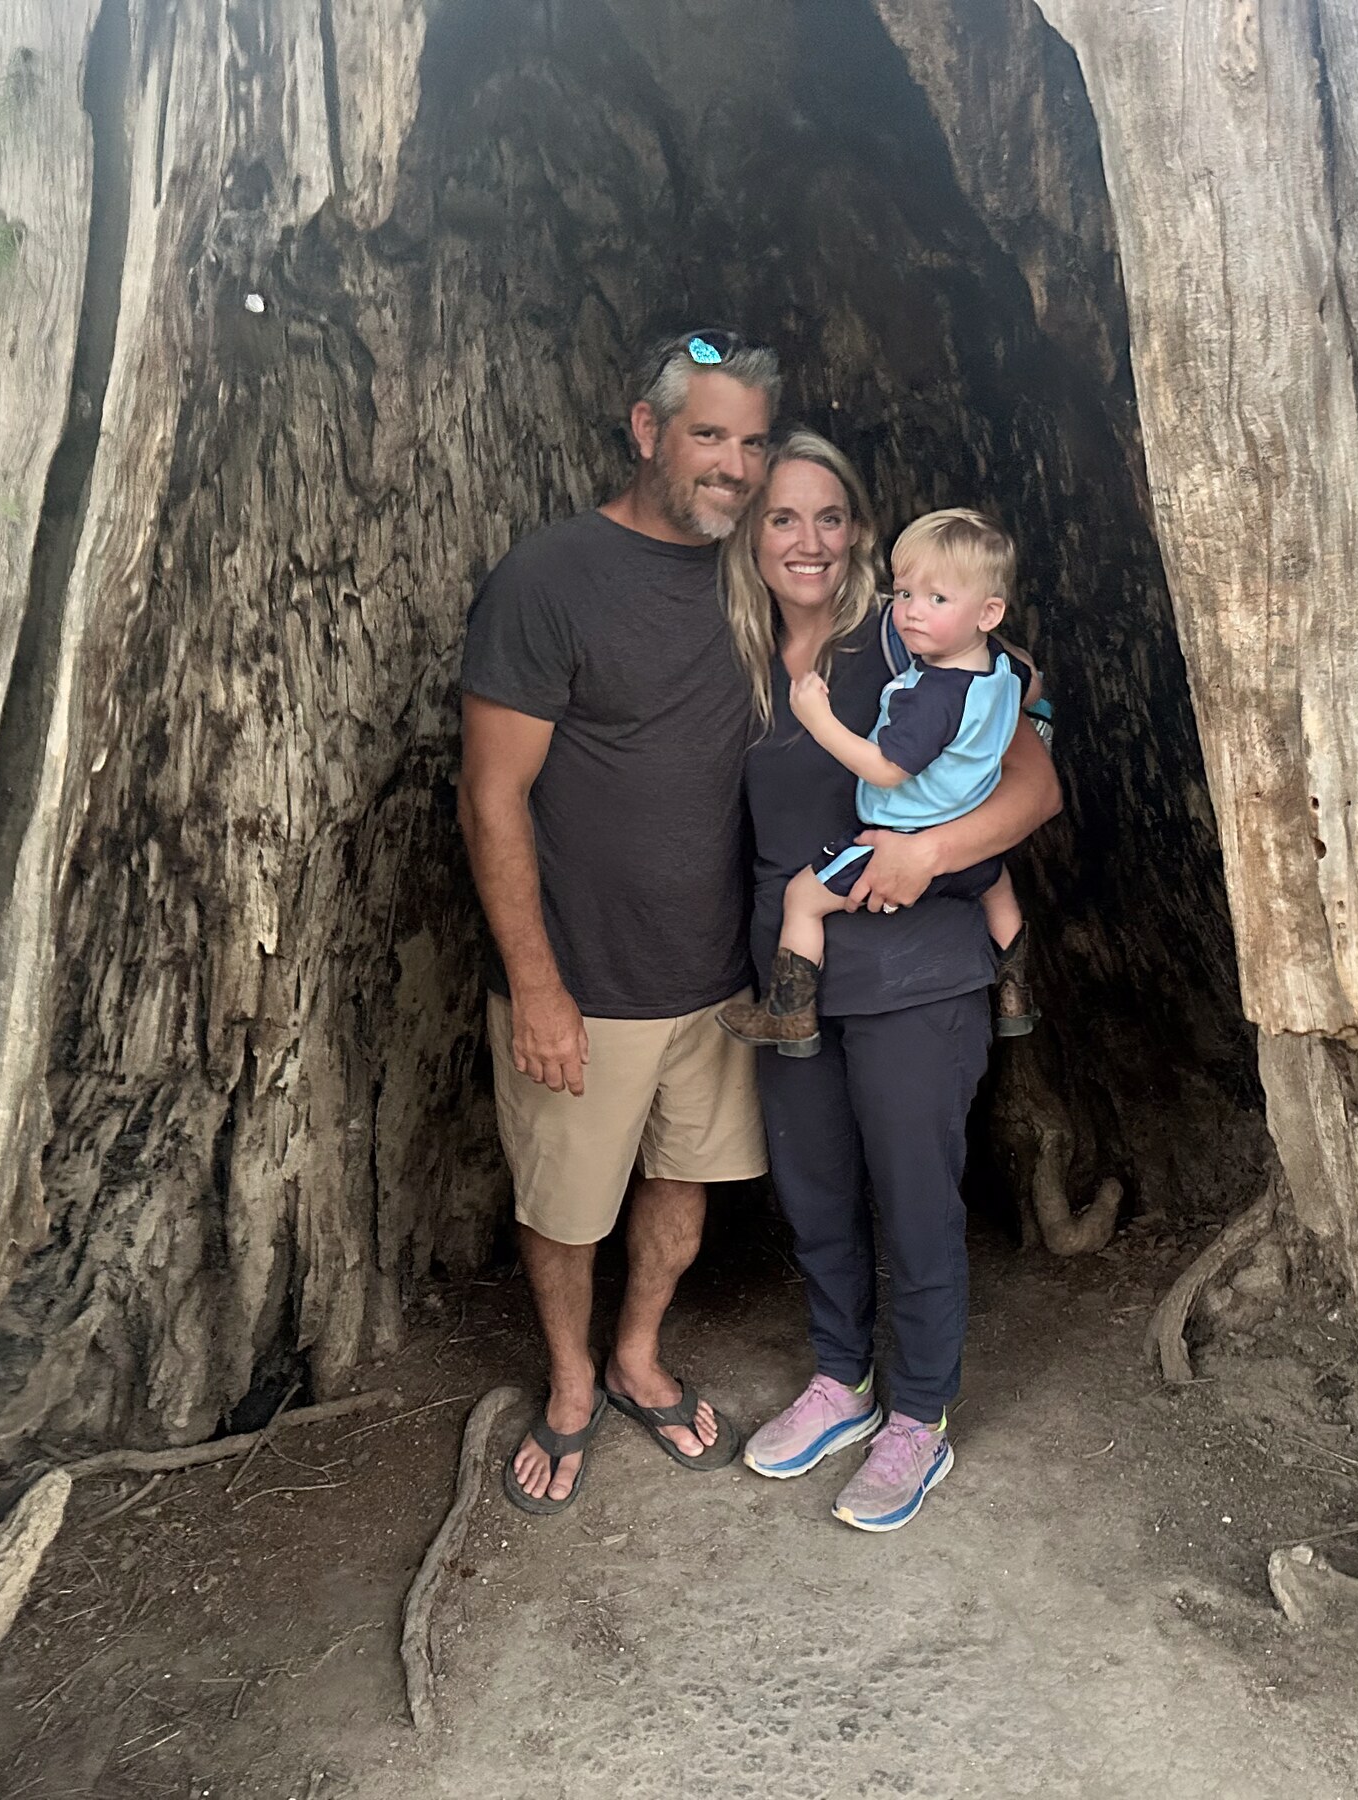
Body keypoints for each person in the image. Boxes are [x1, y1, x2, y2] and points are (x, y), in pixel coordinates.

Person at [457, 329, 778, 1516]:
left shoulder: (758, 574)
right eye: (709, 436)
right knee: (566, 1206)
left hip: (716, 976)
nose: (734, 468)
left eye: (751, 444)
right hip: (583, 978)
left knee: (683, 1188)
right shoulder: (550, 579)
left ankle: (639, 1353)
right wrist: (535, 985)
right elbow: (492, 794)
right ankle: (572, 1380)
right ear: (646, 432)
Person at [722, 432, 1061, 1532]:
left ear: (859, 529)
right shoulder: (732, 653)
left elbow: (1035, 787)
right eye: (782, 517)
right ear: (752, 534)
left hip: (914, 967)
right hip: (792, 973)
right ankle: (843, 1382)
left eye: (829, 516)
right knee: (813, 1191)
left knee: (915, 1199)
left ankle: (920, 1414)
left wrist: (931, 854)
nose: (807, 540)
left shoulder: (909, 637)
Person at [716, 508, 1035, 1056]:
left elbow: (887, 768)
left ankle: (790, 1014)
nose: (909, 613)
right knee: (999, 887)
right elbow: (1032, 687)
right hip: (970, 851)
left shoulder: (931, 693)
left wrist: (820, 721)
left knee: (802, 897)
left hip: (898, 841)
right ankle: (1015, 996)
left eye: (937, 600)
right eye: (905, 593)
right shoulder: (1001, 673)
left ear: (989, 612)